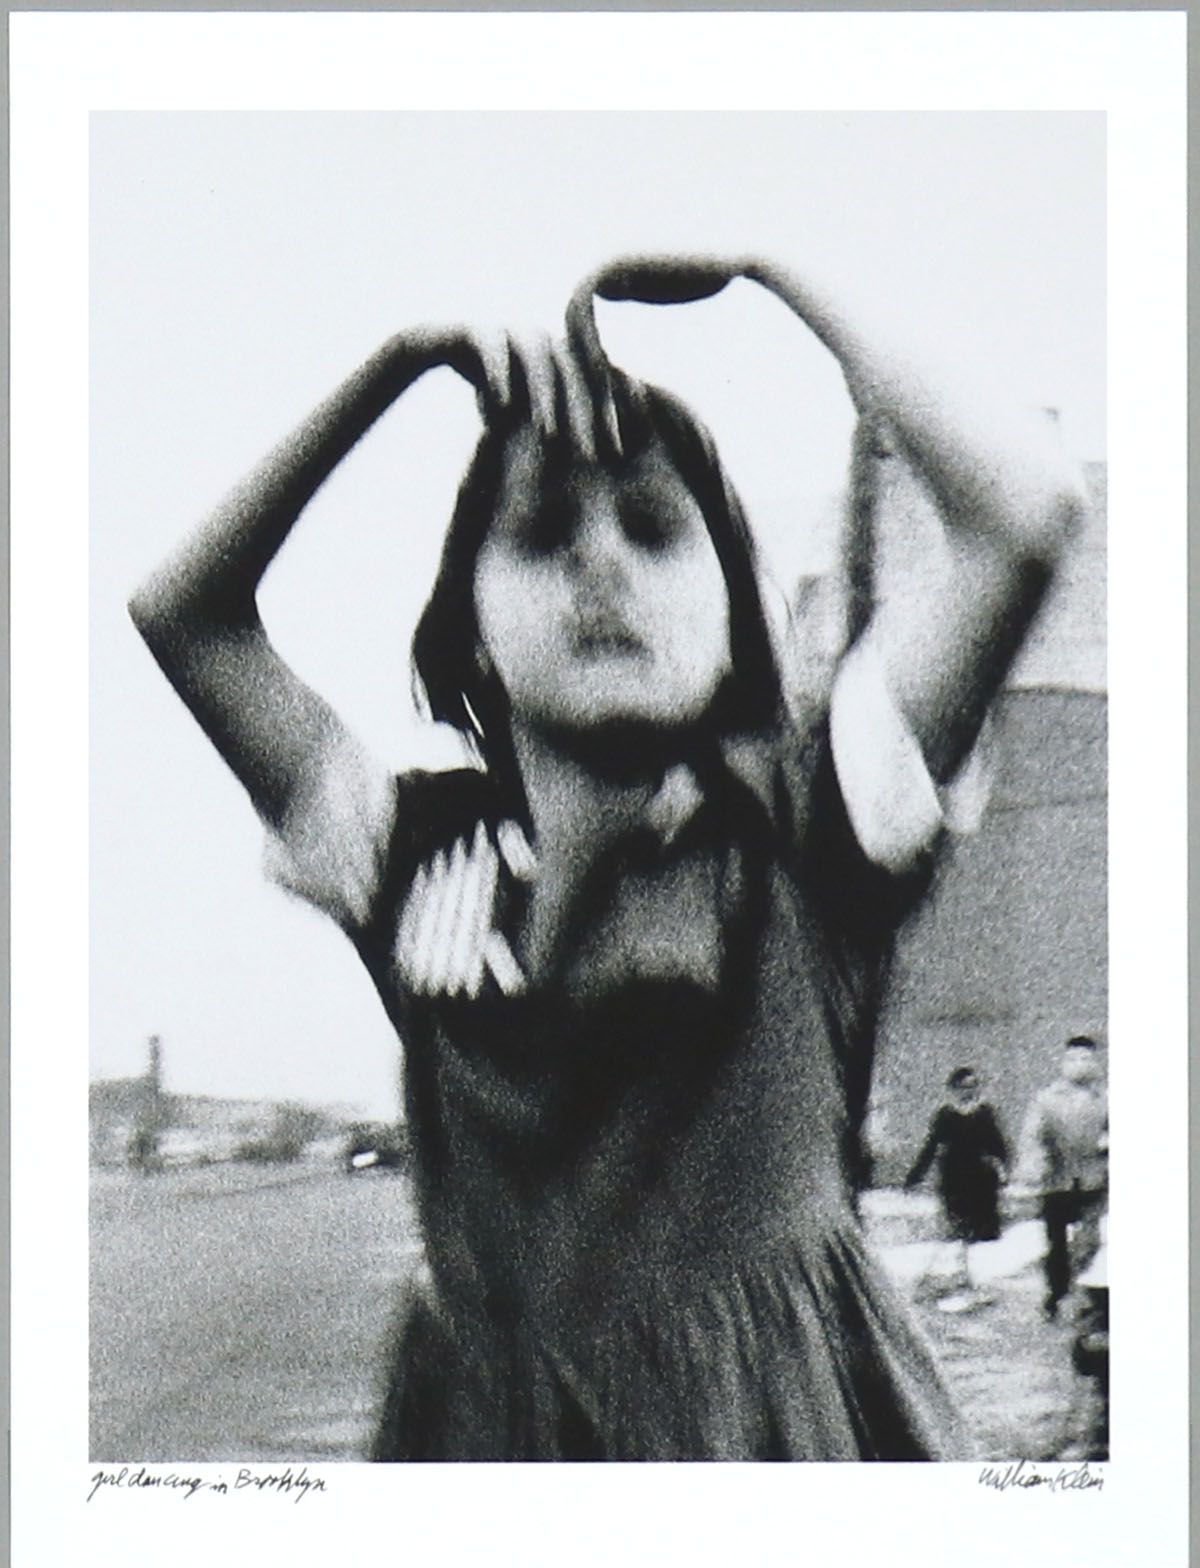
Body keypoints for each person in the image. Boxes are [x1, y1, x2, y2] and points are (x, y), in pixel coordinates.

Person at [129, 251, 1085, 1460]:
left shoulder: (810, 824)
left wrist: (775, 262)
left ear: (738, 609)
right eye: (538, 533)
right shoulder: (415, 861)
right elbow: (183, 613)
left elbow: (1028, 519)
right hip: (493, 1445)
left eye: (652, 527)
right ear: (467, 628)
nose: (601, 564)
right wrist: (399, 359)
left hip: (783, 1448)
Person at [1018, 1035, 1108, 1320]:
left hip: (1093, 1178)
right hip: (1057, 1179)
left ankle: (1085, 1295)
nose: (1079, 1065)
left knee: (1089, 1239)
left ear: (1095, 1062)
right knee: (1056, 1242)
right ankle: (1056, 1294)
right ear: (1062, 1061)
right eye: (1073, 1059)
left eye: (1086, 1058)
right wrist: (1036, 1165)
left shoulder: (1105, 1098)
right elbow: (1032, 1136)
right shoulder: (1047, 1099)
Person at [905, 1066, 1009, 1311]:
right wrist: (915, 1176)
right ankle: (957, 1280)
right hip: (954, 1179)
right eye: (963, 1087)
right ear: (953, 1090)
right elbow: (930, 1147)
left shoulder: (985, 1114)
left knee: (977, 1234)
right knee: (957, 1230)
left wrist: (1003, 1169)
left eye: (973, 1086)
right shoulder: (945, 1116)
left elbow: (999, 1145)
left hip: (981, 1181)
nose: (968, 1092)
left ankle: (970, 1280)